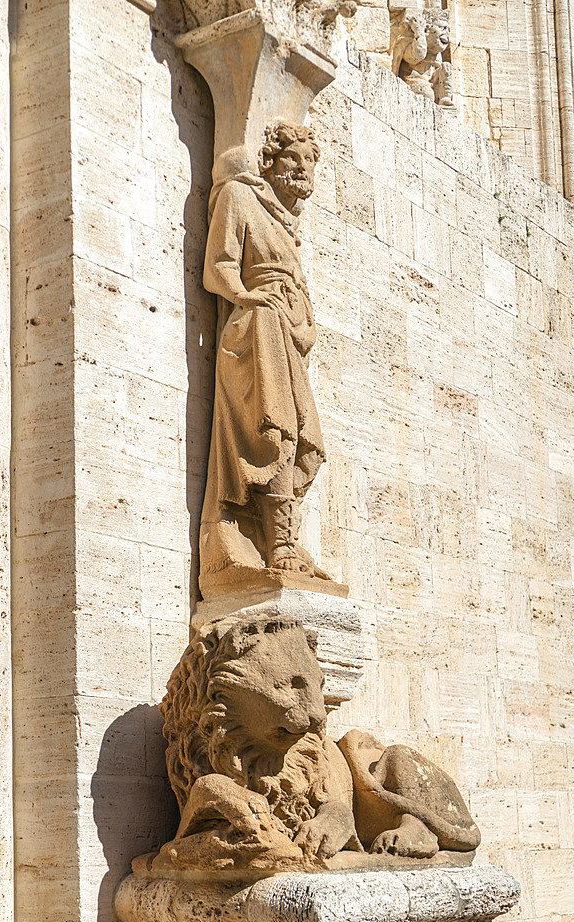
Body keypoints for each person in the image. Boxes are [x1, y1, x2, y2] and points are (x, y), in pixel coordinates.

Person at [198, 121, 333, 593]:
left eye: (310, 161)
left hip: (287, 336)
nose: (303, 169)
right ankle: (273, 544)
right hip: (255, 332)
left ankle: (285, 542)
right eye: (292, 159)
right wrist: (252, 298)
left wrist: (300, 318)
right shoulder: (239, 195)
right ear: (268, 161)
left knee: (297, 435)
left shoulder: (286, 225)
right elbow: (218, 270)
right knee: (273, 431)